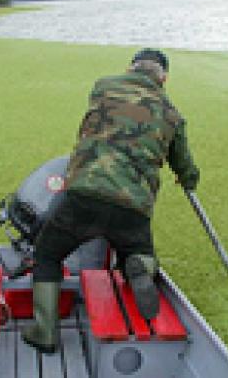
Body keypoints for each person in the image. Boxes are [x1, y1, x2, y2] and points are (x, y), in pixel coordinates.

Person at [21, 48, 200, 353]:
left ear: (131, 69)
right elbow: (187, 170)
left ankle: (44, 332)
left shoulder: (104, 86)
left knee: (48, 254)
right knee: (135, 246)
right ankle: (140, 264)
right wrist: (187, 177)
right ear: (164, 79)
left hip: (85, 195)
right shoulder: (173, 115)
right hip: (133, 207)